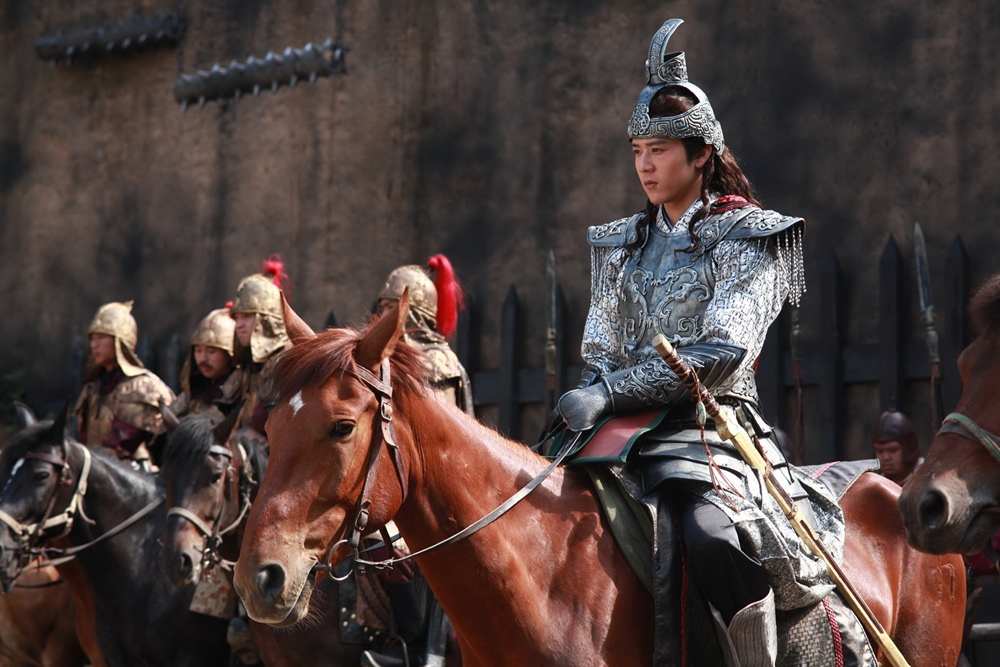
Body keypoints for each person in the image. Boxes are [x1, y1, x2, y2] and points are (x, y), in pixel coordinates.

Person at [550, 18, 872, 666]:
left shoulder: (750, 235)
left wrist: (609, 391)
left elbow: (722, 352)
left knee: (713, 537)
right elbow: (602, 348)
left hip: (707, 426)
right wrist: (595, 392)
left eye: (660, 149)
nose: (645, 164)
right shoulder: (617, 244)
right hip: (614, 430)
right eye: (637, 150)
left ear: (701, 155)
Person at [361, 254, 472, 667]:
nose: (384, 314)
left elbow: (435, 434)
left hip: (432, 484)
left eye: (393, 306)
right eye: (383, 306)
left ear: (416, 310)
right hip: (388, 475)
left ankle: (418, 648)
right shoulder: (382, 355)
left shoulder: (436, 359)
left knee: (390, 548)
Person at [73, 301, 174, 465]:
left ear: (119, 341)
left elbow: (122, 444)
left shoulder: (144, 388)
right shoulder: (92, 389)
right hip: (91, 468)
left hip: (132, 473)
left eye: (101, 337)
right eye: (92, 338)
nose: (93, 345)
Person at [169, 307, 243, 422]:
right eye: (198, 351)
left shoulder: (241, 389)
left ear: (229, 354)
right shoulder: (195, 390)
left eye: (211, 351)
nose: (203, 358)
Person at [872, 407, 922, 486]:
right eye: (880, 451)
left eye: (892, 450)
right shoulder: (876, 486)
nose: (886, 457)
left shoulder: (929, 479)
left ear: (908, 449)